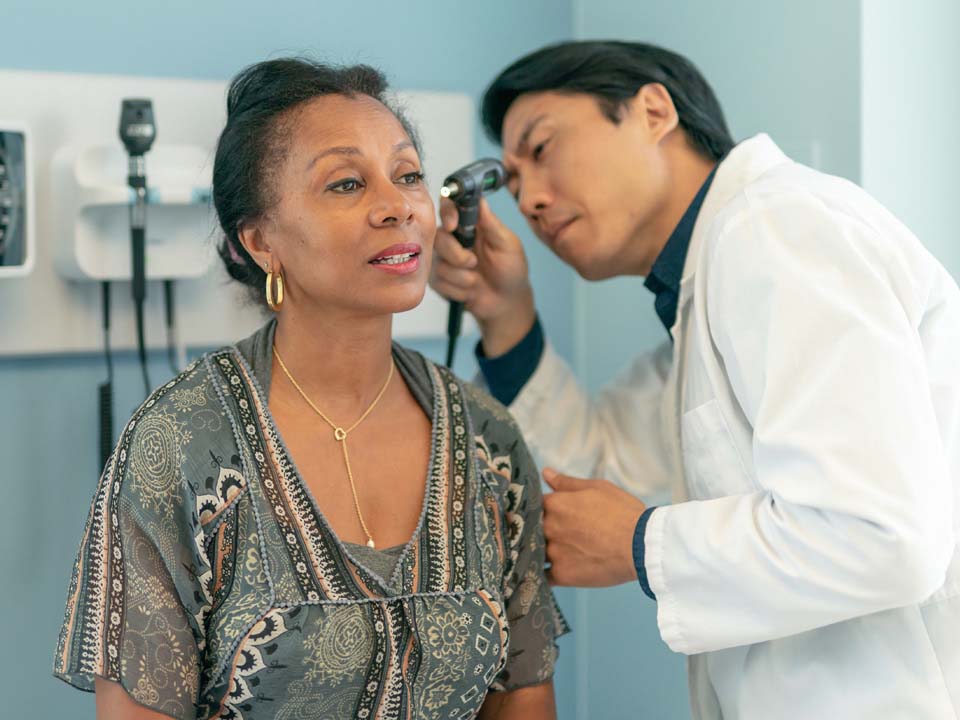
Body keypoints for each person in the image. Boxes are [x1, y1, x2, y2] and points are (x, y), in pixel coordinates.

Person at [430, 40, 960, 719]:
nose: (531, 199)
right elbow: (598, 471)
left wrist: (642, 546)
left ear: (653, 110)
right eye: (512, 179)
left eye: (542, 149)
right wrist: (506, 317)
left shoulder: (778, 228)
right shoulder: (700, 293)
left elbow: (883, 536)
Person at [54, 58, 566, 720]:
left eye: (408, 175)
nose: (397, 206)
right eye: (347, 183)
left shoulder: (486, 442)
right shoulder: (181, 445)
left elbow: (523, 700)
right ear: (261, 241)